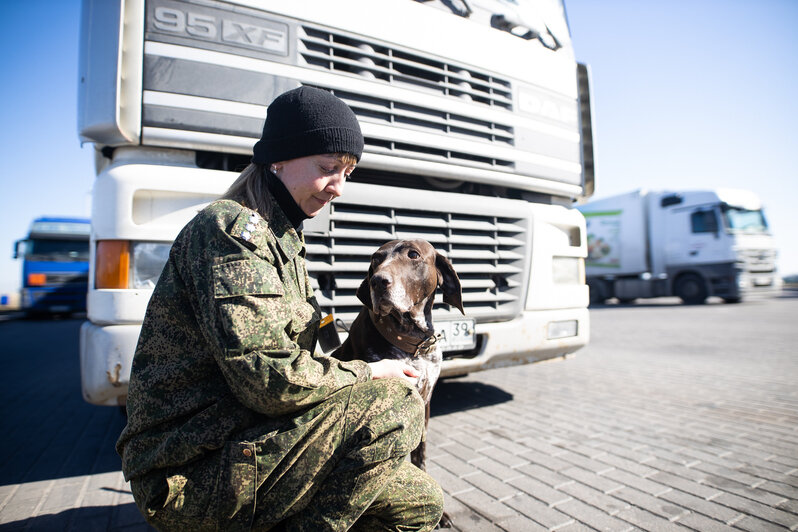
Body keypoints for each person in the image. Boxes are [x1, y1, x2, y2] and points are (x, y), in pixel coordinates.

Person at [117, 86, 445, 531]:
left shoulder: (282, 239)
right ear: (279, 159)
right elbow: (269, 381)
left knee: (421, 503)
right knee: (393, 404)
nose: (339, 188)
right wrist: (370, 373)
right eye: (328, 168)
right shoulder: (230, 232)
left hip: (251, 441)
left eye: (347, 172)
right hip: (191, 469)